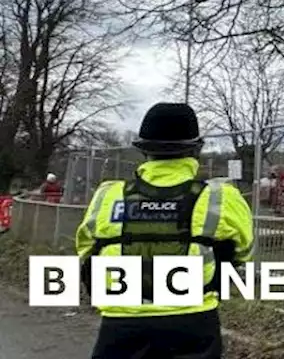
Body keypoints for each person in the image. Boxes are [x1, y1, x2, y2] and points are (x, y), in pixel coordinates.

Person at [76, 102, 255, 359]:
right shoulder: (221, 196)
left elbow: (85, 250)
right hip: (192, 322)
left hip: (121, 323)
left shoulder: (108, 195)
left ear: (144, 150)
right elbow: (243, 252)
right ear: (196, 148)